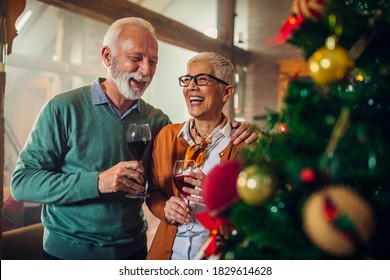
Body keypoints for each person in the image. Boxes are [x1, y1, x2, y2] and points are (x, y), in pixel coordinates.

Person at [10, 18, 257, 260]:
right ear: (107, 57)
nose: (146, 71)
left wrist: (239, 128)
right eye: (136, 59)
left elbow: (163, 184)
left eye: (153, 62)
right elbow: (23, 183)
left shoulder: (158, 121)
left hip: (133, 253)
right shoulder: (63, 108)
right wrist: (98, 182)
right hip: (68, 256)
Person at [146, 52, 244, 260]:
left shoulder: (244, 144)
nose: (191, 86)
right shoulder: (166, 137)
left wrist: (219, 195)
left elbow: (259, 211)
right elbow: (153, 193)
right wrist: (165, 208)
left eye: (202, 79)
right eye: (187, 80)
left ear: (226, 92)